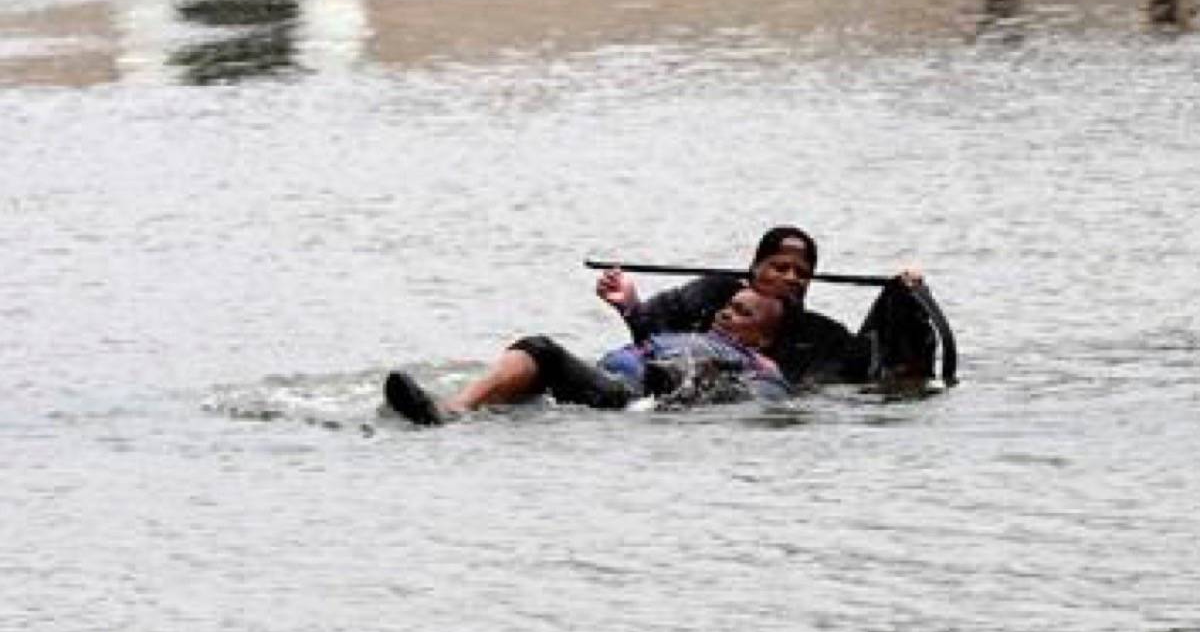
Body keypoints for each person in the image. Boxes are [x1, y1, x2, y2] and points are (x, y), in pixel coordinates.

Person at [384, 287, 791, 425]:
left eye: (742, 313)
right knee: (534, 356)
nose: (725, 313)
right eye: (728, 305)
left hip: (631, 396)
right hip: (603, 379)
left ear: (761, 340)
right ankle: (456, 407)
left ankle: (449, 412)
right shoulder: (684, 335)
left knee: (542, 348)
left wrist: (698, 381)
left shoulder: (758, 365)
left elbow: (762, 400)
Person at [595, 225, 936, 386]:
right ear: (754, 269)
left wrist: (903, 299)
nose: (790, 277)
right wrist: (628, 303)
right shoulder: (714, 294)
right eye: (779, 267)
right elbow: (652, 328)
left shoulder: (822, 334)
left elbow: (880, 362)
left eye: (802, 273)